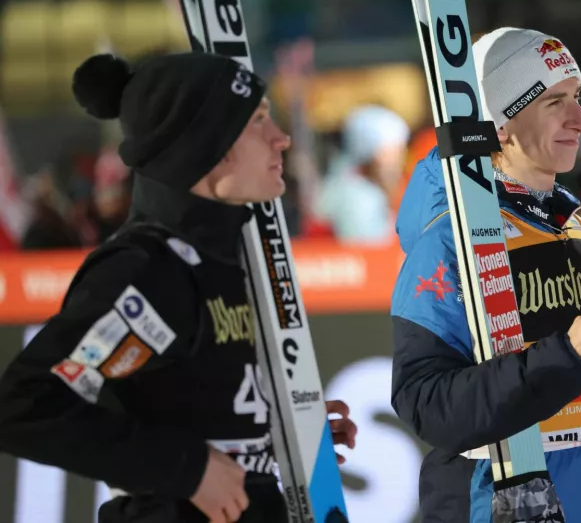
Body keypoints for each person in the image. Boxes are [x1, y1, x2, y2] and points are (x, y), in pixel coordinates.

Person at [0, 52, 357, 523]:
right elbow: (23, 407)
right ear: (210, 146)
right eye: (258, 122)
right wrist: (186, 470)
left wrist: (282, 431)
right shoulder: (150, 270)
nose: (281, 139)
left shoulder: (229, 254)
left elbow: (191, 403)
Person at [389, 27, 581, 523]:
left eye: (576, 97)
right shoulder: (450, 240)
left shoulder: (576, 231)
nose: (580, 120)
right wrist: (565, 358)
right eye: (555, 102)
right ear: (502, 124)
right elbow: (424, 403)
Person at [313, 105, 409, 244]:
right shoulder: (358, 198)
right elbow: (372, 258)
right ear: (375, 157)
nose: (400, 162)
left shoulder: (347, 185)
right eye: (394, 152)